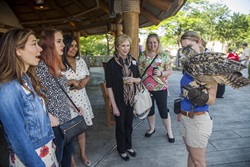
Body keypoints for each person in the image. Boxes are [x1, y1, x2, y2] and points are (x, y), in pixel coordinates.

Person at [0, 28, 58, 166]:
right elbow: (19, 140)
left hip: (46, 152)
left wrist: (50, 142)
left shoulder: (26, 79)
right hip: (32, 159)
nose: (40, 49)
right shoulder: (8, 89)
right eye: (34, 44)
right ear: (18, 50)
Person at [36, 28, 83, 167]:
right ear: (49, 44)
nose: (63, 44)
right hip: (53, 124)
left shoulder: (57, 66)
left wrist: (75, 107)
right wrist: (49, 115)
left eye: (62, 41)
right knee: (57, 157)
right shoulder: (40, 67)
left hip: (65, 119)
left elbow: (62, 93)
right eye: (58, 41)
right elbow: (35, 97)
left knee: (67, 154)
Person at [179, 30, 217, 167]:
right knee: (191, 155)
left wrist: (201, 96)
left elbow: (212, 99)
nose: (187, 51)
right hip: (185, 117)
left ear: (199, 42)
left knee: (199, 162)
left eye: (189, 46)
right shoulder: (189, 63)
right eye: (184, 48)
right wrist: (181, 110)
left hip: (198, 120)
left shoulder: (208, 66)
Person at [105, 34, 141, 161]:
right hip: (118, 100)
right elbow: (109, 87)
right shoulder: (111, 64)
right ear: (117, 47)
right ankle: (121, 149)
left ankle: (129, 146)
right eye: (123, 46)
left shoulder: (133, 61)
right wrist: (114, 106)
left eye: (127, 45)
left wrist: (134, 79)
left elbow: (139, 78)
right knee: (120, 127)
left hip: (130, 99)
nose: (126, 48)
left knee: (129, 125)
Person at [62, 34, 94, 167]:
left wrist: (84, 81)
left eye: (76, 46)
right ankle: (72, 161)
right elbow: (54, 84)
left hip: (82, 99)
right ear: (64, 46)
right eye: (71, 46)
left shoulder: (80, 60)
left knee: (81, 129)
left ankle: (83, 154)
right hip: (67, 101)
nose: (74, 48)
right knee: (69, 131)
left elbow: (87, 75)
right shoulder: (59, 62)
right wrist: (71, 81)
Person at [138, 33, 175, 143]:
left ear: (158, 43)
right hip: (147, 88)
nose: (152, 45)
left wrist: (161, 73)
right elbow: (139, 71)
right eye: (150, 42)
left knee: (163, 110)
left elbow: (170, 71)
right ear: (147, 43)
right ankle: (152, 128)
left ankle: (169, 132)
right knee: (150, 110)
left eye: (155, 42)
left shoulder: (164, 56)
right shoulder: (143, 56)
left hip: (160, 87)